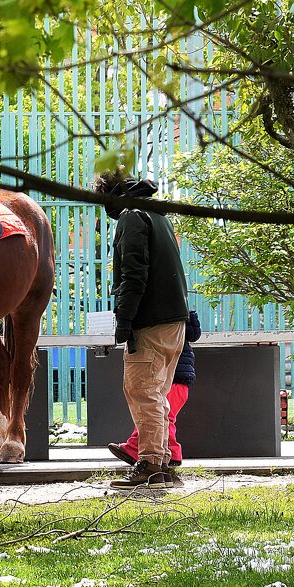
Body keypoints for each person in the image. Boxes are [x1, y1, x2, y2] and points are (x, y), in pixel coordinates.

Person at [96, 174, 189, 489]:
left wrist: (124, 318)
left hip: (150, 321)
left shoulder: (132, 217)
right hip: (174, 321)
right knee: (157, 393)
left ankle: (149, 465)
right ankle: (159, 463)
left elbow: (134, 273)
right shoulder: (158, 216)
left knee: (142, 392)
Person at [109, 309, 201, 469]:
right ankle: (141, 447)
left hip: (174, 379)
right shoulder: (182, 326)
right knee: (162, 414)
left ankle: (169, 452)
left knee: (157, 412)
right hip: (182, 381)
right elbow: (194, 334)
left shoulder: (166, 331)